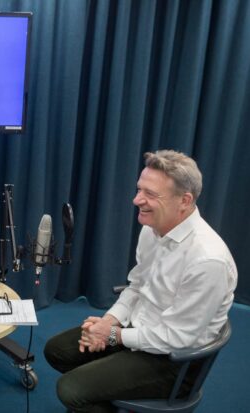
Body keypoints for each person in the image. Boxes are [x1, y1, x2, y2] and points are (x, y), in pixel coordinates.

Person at [44, 150, 237, 413]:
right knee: (57, 351)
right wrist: (109, 322)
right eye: (139, 189)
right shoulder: (151, 229)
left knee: (70, 389)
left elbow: (175, 338)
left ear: (185, 200)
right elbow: (136, 287)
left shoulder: (208, 260)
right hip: (139, 331)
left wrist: (113, 336)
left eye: (150, 194)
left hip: (173, 361)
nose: (137, 200)